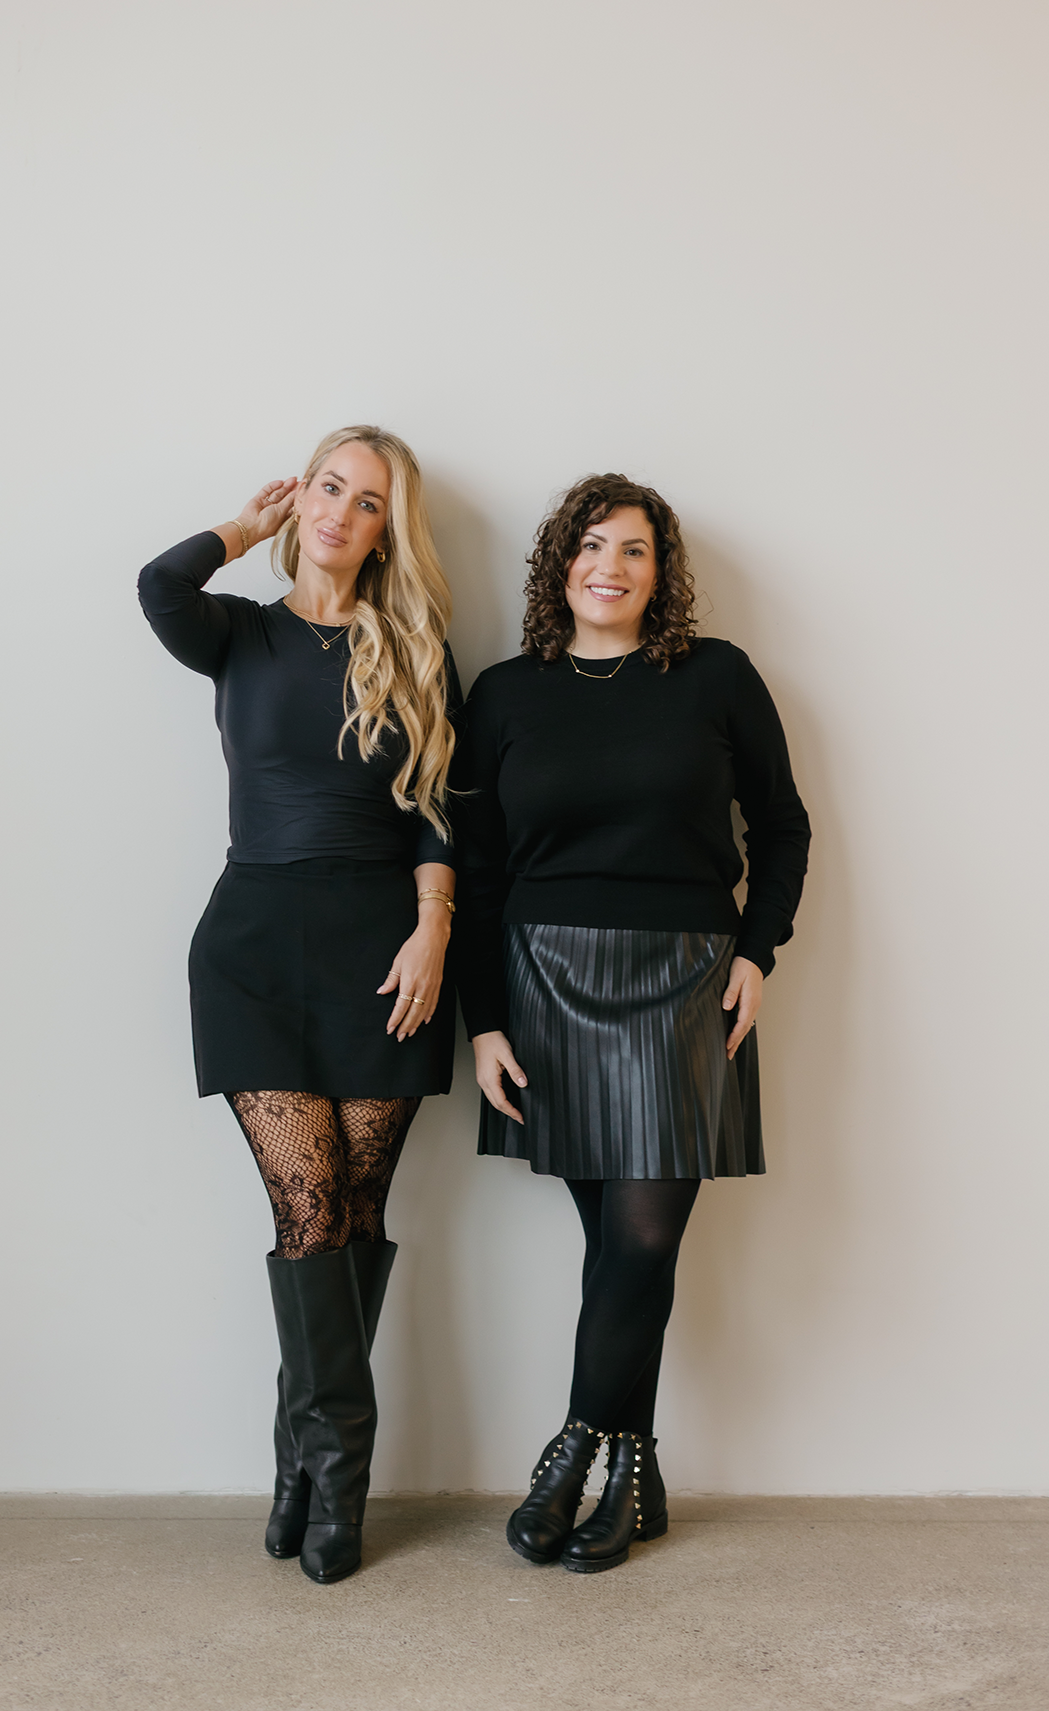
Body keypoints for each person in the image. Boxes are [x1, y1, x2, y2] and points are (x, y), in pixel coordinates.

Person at [453, 474, 810, 1574]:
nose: (609, 566)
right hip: (547, 983)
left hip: (689, 979)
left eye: (634, 549)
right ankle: (636, 1475)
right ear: (558, 562)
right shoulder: (503, 694)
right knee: (619, 1252)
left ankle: (570, 1452)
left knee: (642, 1240)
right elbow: (475, 870)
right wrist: (485, 1022)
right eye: (590, 544)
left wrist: (756, 950)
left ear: (662, 573)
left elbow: (783, 826)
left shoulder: (716, 676)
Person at [138, 425, 460, 1585]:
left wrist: (434, 927)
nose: (340, 511)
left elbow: (442, 810)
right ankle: (341, 1479)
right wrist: (246, 525)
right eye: (329, 487)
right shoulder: (239, 631)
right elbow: (159, 584)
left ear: (388, 531)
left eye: (368, 501)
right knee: (311, 1211)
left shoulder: (415, 647)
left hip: (384, 953)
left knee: (357, 1216)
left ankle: (302, 1469)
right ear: (302, 497)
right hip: (254, 951)